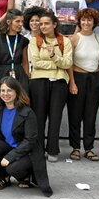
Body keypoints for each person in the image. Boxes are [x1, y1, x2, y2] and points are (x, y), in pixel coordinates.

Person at [0, 77, 52, 196]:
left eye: (9, 90)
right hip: (10, 146)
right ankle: (4, 179)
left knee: (13, 169)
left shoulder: (27, 112)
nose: (5, 94)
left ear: (17, 92)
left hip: (27, 152)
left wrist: (10, 156)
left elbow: (30, 140)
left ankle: (25, 175)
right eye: (2, 91)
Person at [28, 11, 72, 162]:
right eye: (41, 24)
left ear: (54, 24)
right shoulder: (35, 41)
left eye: (47, 23)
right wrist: (56, 64)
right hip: (39, 82)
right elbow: (36, 63)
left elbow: (68, 63)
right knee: (39, 117)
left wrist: (54, 56)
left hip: (59, 82)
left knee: (55, 116)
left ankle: (53, 150)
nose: (43, 26)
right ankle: (38, 149)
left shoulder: (64, 41)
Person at [68, 8, 99, 162]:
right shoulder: (74, 38)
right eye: (83, 20)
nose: (86, 23)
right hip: (78, 77)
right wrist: (72, 83)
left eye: (89, 20)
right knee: (75, 115)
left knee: (91, 115)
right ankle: (75, 148)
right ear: (79, 21)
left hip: (95, 79)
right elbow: (68, 63)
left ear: (94, 22)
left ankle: (89, 148)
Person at [0, 8, 30, 96]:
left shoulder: (23, 40)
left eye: (22, 21)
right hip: (0, 73)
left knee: (20, 99)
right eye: (17, 21)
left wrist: (26, 78)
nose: (20, 24)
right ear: (9, 22)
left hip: (19, 73)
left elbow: (25, 62)